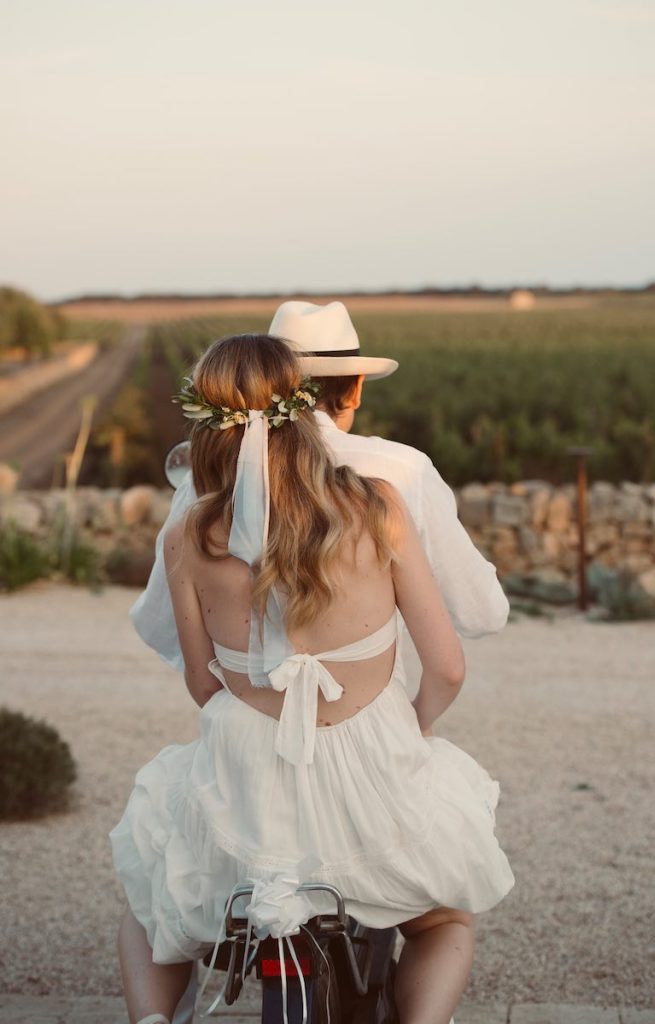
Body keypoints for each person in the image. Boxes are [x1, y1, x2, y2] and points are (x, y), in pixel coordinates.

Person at [110, 332, 514, 1024]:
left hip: (246, 769)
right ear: (304, 411)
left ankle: (151, 1022)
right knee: (443, 918)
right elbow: (447, 666)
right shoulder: (378, 506)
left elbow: (204, 686)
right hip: (372, 756)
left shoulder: (188, 535)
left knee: (153, 903)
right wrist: (401, 728)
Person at [130, 300, 510, 690]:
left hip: (247, 720)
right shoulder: (405, 472)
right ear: (356, 389)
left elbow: (158, 624)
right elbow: (483, 612)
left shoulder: (207, 479)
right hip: (371, 716)